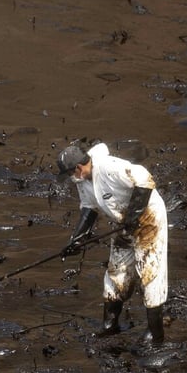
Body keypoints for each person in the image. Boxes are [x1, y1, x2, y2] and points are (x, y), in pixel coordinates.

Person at [56, 141, 168, 344]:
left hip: (148, 218)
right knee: (116, 270)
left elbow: (144, 178)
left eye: (71, 174)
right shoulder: (83, 182)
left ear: (79, 168)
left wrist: (134, 216)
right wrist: (76, 240)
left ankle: (155, 332)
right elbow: (89, 209)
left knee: (150, 272)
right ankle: (110, 323)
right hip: (123, 223)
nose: (71, 179)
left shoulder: (108, 166)